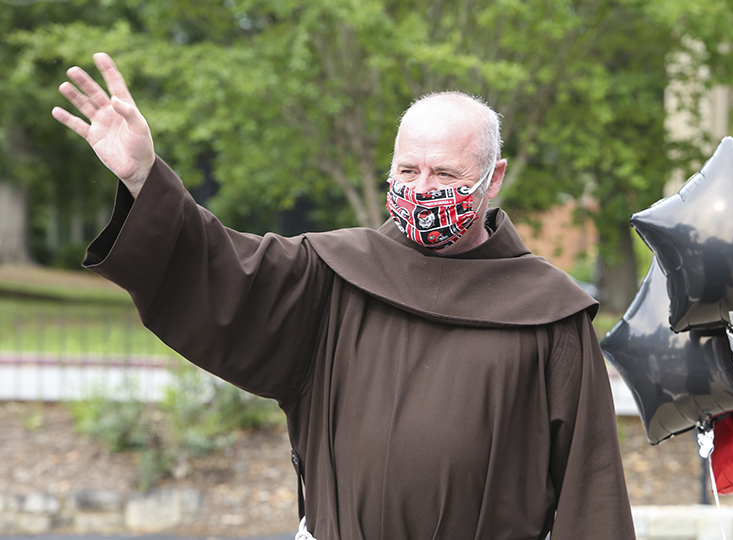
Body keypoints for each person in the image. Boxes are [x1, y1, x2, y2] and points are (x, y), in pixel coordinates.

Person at [52, 52, 636, 540]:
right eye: (408, 171)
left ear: (494, 178)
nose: (423, 190)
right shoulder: (333, 274)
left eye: (447, 176)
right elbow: (221, 270)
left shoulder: (549, 312)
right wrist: (143, 179)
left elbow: (592, 489)